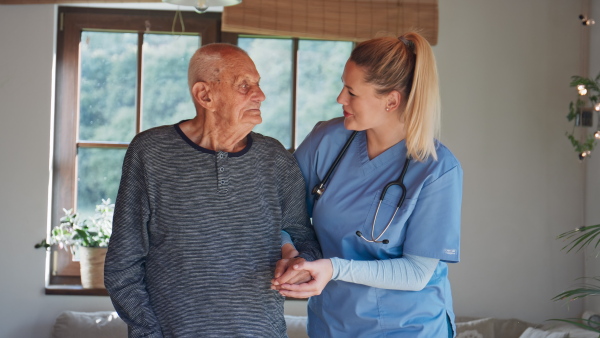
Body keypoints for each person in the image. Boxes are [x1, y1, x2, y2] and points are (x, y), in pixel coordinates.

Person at [104, 43, 320, 338]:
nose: (260, 95)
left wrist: (300, 265)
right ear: (205, 95)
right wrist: (149, 333)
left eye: (258, 84)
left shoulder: (275, 158)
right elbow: (122, 264)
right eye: (244, 85)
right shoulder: (150, 152)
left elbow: (303, 238)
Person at [272, 32, 463, 337]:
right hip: (332, 323)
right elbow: (279, 210)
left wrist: (333, 268)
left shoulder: (437, 170)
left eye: (352, 92)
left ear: (391, 101)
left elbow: (416, 272)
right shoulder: (326, 141)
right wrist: (290, 252)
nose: (340, 99)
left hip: (409, 327)